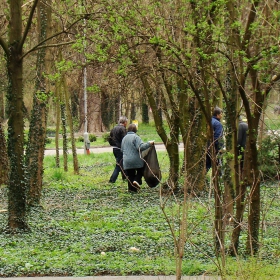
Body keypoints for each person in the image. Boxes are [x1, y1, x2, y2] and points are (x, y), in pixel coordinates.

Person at [121, 123, 154, 193]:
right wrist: (149, 143)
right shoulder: (136, 137)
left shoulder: (124, 138)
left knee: (130, 175)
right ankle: (136, 180)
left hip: (126, 161)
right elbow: (141, 147)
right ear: (135, 130)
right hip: (136, 159)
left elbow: (121, 149)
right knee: (141, 170)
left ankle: (132, 190)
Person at [108, 116, 128, 183]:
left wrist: (113, 144)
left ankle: (125, 178)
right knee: (118, 165)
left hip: (115, 148)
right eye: (126, 122)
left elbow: (109, 138)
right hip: (120, 149)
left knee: (122, 163)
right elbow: (125, 139)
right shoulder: (123, 129)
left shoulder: (114, 128)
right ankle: (112, 180)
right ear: (124, 122)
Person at [206, 107, 224, 172]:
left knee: (207, 165)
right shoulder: (218, 124)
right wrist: (219, 149)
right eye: (221, 114)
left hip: (207, 147)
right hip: (215, 149)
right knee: (219, 167)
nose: (222, 116)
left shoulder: (209, 121)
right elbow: (218, 138)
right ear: (217, 114)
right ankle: (220, 181)